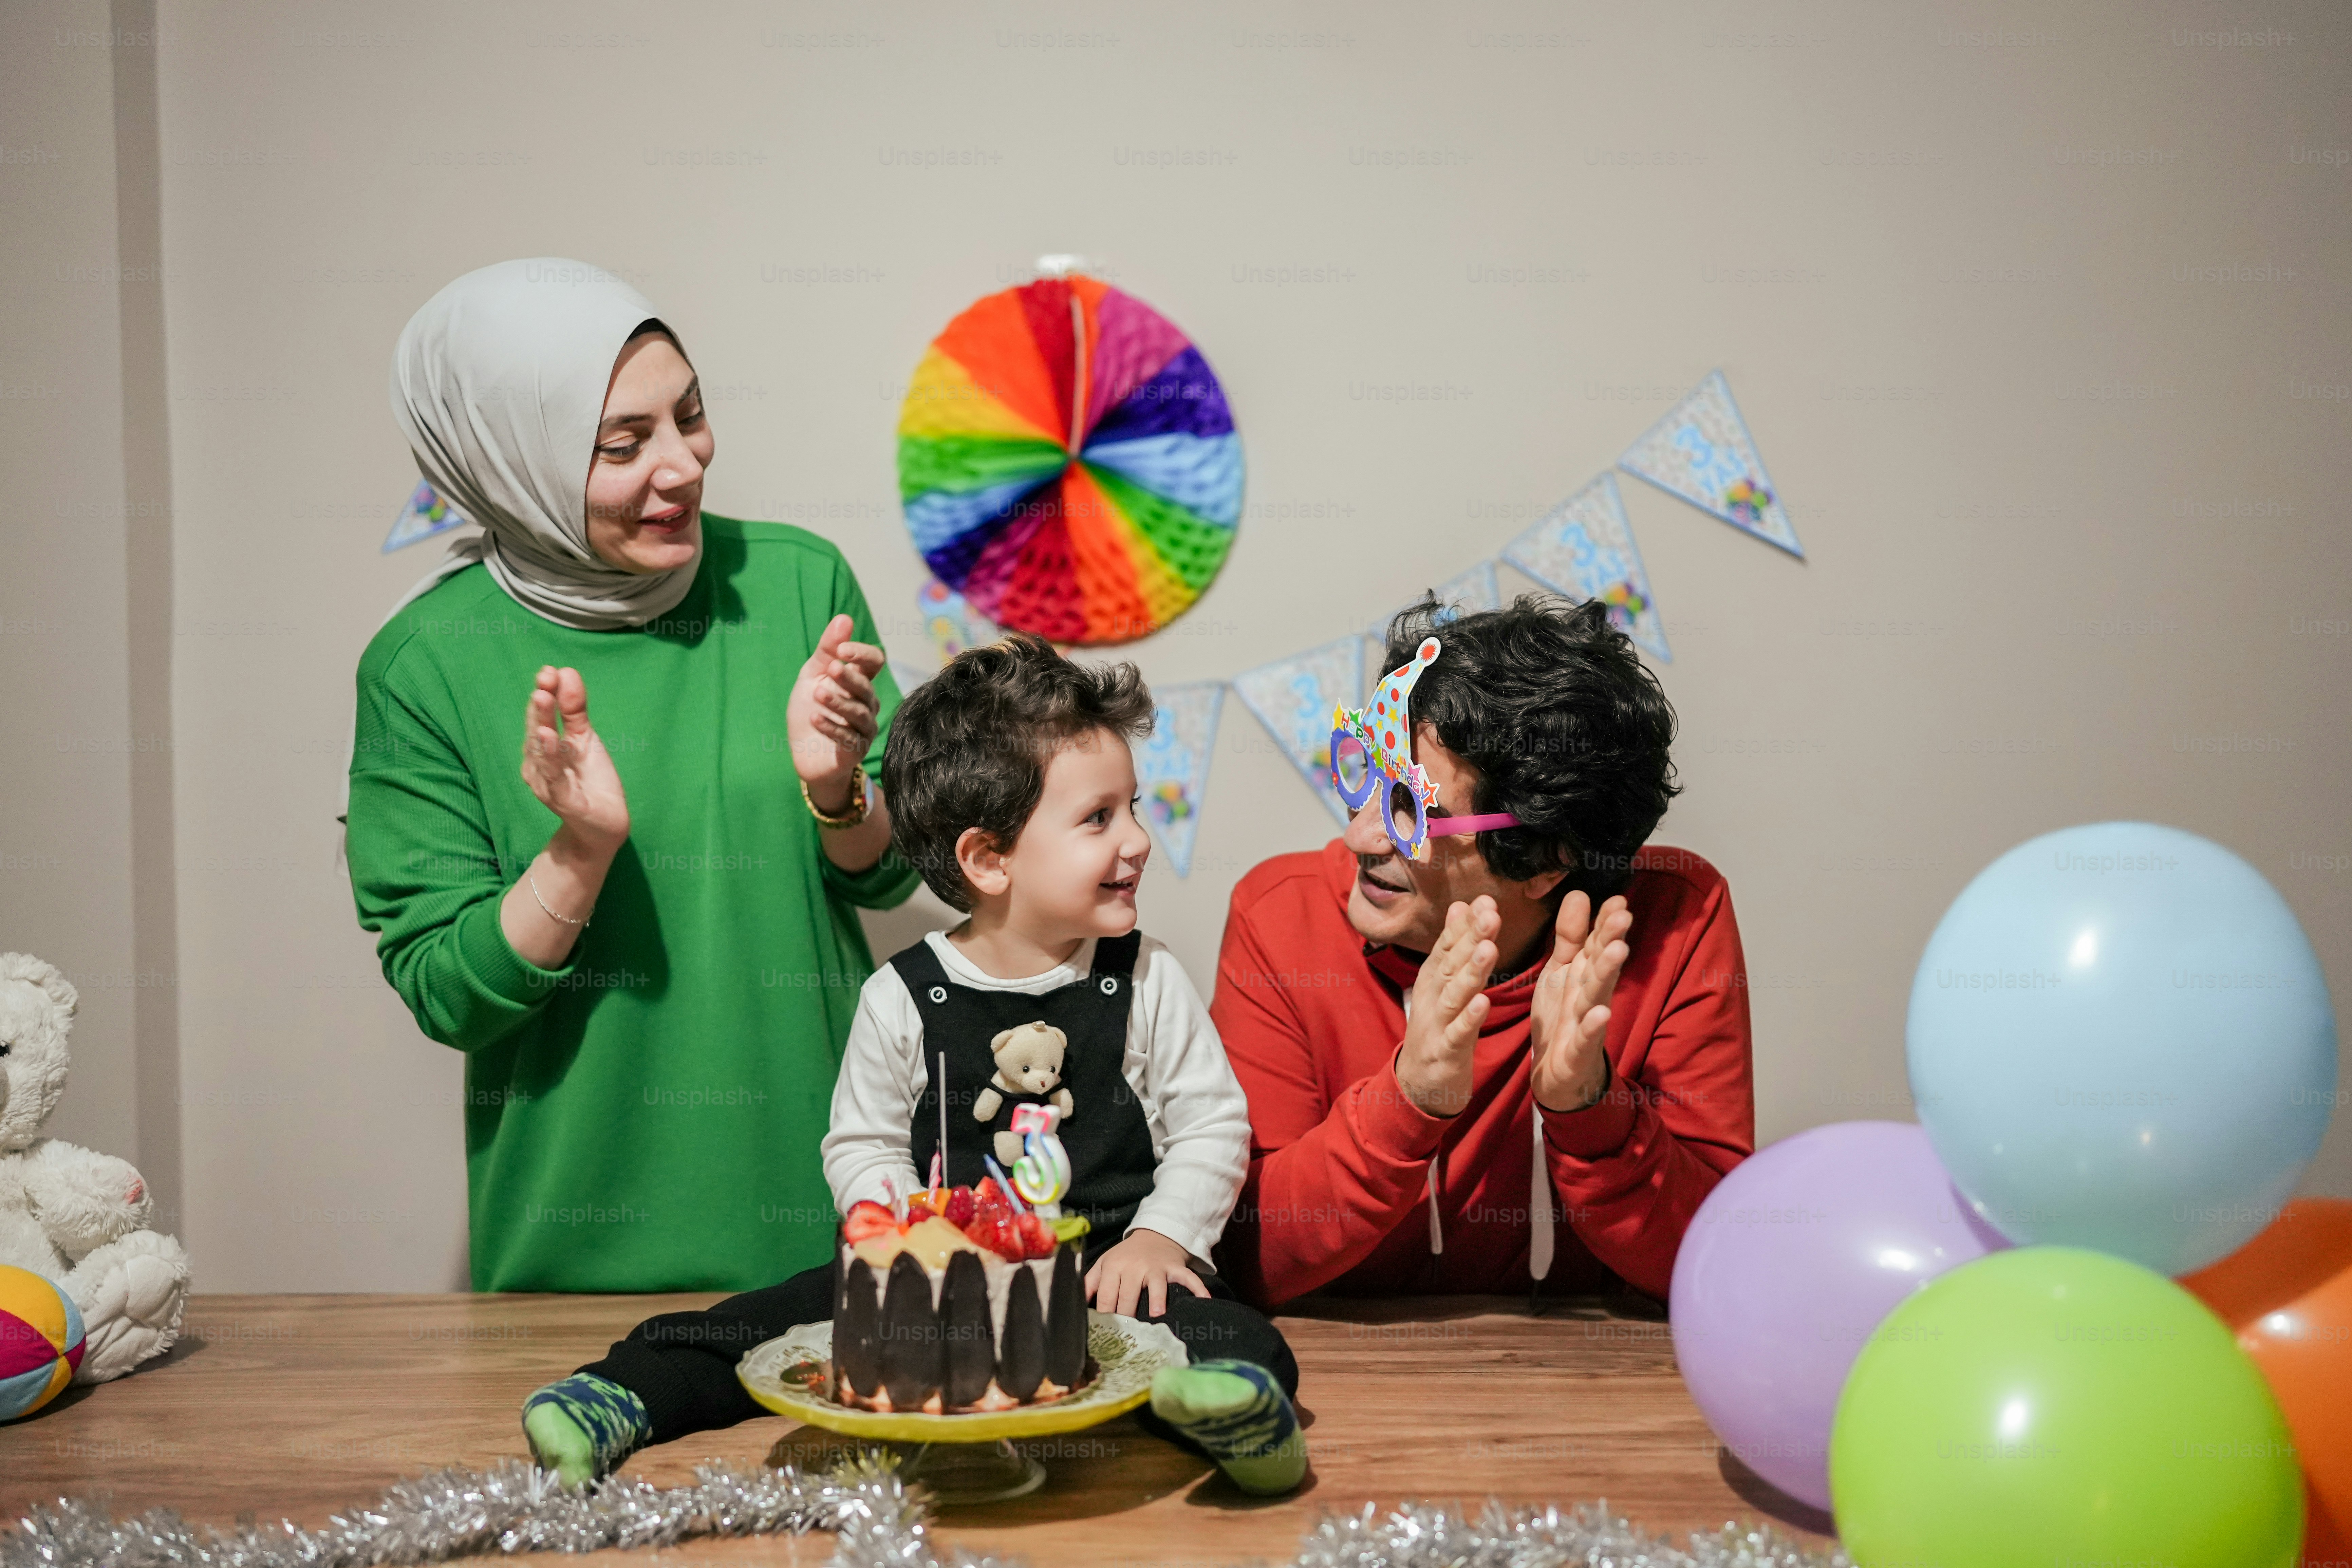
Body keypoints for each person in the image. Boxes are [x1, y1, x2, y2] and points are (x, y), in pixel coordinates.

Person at [519, 635, 1307, 1495]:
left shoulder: (1145, 976)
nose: (1138, 841)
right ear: (988, 859)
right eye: (1098, 818)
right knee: (764, 1322)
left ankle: (1234, 1408)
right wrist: (901, 1248)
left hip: (1107, 1265)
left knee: (1231, 1333)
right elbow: (860, 1143)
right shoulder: (902, 994)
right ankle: (617, 1395)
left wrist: (1163, 1238)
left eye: (1134, 809)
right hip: (936, 1273)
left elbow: (1213, 1124)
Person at [344, 258, 917, 1292]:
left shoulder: (796, 581)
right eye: (623, 444)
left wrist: (839, 792)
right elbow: (449, 996)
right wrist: (577, 853)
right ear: (509, 464)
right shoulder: (426, 662)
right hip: (574, 1261)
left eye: (689, 416)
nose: (683, 465)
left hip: (834, 1234)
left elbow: (885, 878)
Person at [1211, 596, 1755, 1308]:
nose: (1362, 838)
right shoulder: (1279, 917)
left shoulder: (1674, 919)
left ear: (1547, 861)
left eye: (1413, 808)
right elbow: (1250, 1261)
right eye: (1363, 774)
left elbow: (1717, 1262)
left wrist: (1589, 1108)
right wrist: (1410, 1099)